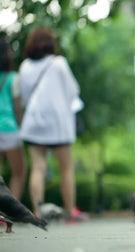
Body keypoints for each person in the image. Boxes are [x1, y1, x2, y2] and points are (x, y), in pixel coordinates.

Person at [18, 26, 86, 222]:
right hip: (58, 123)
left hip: (35, 122)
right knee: (66, 168)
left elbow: (23, 97)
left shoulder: (24, 66)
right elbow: (73, 90)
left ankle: (37, 214)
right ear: (51, 43)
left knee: (38, 168)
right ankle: (70, 212)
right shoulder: (59, 63)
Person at [0, 37, 27, 199]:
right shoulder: (13, 78)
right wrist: (23, 128)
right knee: (19, 172)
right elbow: (17, 108)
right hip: (10, 129)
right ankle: (10, 213)